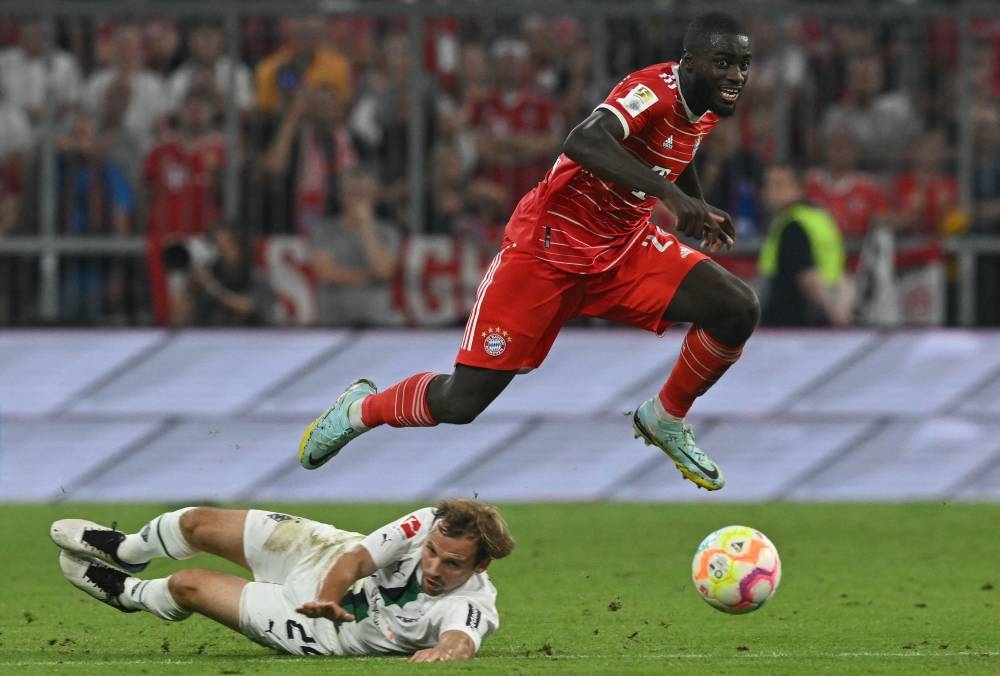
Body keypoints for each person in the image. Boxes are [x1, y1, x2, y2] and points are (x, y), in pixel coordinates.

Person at [299, 12, 758, 492]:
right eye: (723, 62)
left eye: (743, 64)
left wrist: (696, 202)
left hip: (622, 248)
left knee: (737, 309)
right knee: (461, 403)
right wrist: (671, 196)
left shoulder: (704, 105)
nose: (735, 75)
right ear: (689, 62)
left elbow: (673, 150)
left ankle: (664, 418)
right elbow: (583, 140)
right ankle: (359, 410)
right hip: (545, 251)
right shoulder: (653, 91)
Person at [51, 498, 515, 662]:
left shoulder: (471, 603)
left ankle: (126, 593)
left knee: (187, 585)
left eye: (452, 565)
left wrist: (447, 651)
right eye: (432, 553)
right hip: (322, 554)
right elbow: (355, 559)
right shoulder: (430, 522)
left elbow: (462, 637)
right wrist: (329, 595)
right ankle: (129, 552)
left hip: (320, 629)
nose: (433, 568)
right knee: (196, 523)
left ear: (479, 567)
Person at [758, 163, 849, 327]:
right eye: (768, 184)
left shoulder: (793, 226)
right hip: (821, 315)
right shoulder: (818, 218)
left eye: (779, 185)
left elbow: (808, 278)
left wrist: (835, 319)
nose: (770, 191)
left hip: (793, 322)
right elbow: (840, 273)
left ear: (799, 189)